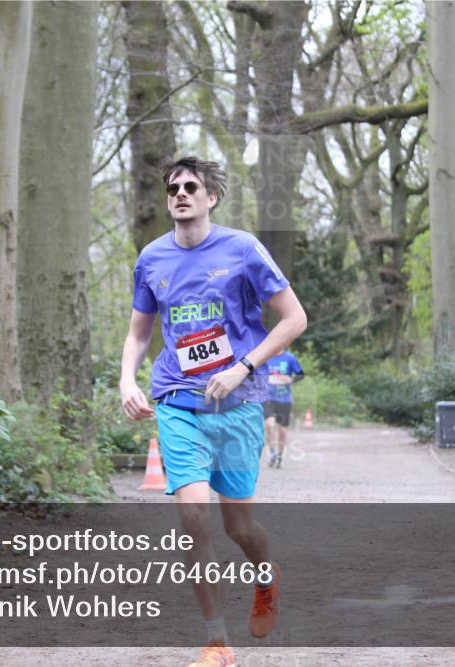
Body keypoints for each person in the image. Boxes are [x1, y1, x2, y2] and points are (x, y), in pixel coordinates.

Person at [119, 156, 307, 667]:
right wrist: (126, 379)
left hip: (238, 403)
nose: (180, 193)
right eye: (173, 188)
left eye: (190, 186)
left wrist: (244, 367)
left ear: (210, 197)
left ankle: (266, 578)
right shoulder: (152, 259)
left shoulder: (243, 250)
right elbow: (139, 333)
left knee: (239, 529)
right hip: (177, 400)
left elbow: (294, 319)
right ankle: (216, 641)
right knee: (192, 512)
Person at [263, 348, 304, 469]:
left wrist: (290, 379)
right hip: (268, 397)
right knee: (269, 425)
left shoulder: (290, 357)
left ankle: (280, 456)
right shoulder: (266, 356)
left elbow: (301, 374)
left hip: (284, 399)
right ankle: (273, 453)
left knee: (283, 431)